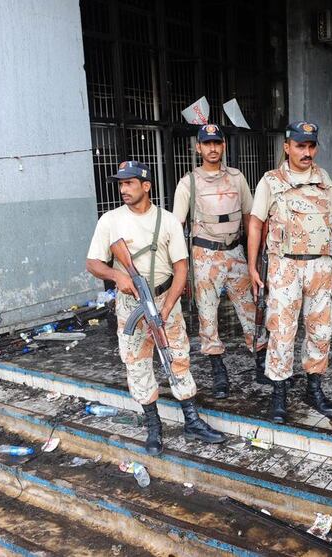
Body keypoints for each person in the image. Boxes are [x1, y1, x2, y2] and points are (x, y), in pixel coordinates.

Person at [86, 160, 225, 455]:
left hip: (165, 300)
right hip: (129, 305)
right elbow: (93, 263)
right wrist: (117, 275)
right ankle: (154, 426)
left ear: (146, 186)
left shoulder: (168, 220)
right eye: (121, 184)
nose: (123, 189)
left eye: (129, 183)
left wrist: (168, 306)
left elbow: (181, 268)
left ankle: (191, 420)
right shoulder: (110, 221)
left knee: (176, 357)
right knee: (137, 364)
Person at [247, 121, 332, 424]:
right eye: (300, 146)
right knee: (281, 331)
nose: (307, 152)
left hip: (320, 265)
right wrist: (252, 266)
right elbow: (255, 223)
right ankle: (279, 394)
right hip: (285, 266)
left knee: (321, 331)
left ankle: (313, 389)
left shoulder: (323, 178)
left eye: (311, 146)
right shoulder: (270, 181)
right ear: (287, 147)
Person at [173, 124, 268, 399]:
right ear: (198, 148)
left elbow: (251, 217)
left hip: (236, 253)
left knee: (252, 308)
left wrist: (256, 255)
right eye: (207, 143)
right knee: (207, 314)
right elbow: (176, 225)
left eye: (217, 143)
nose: (212, 148)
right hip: (205, 256)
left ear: (223, 146)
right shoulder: (188, 182)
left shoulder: (237, 178)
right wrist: (181, 268)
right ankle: (218, 370)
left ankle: (261, 364)